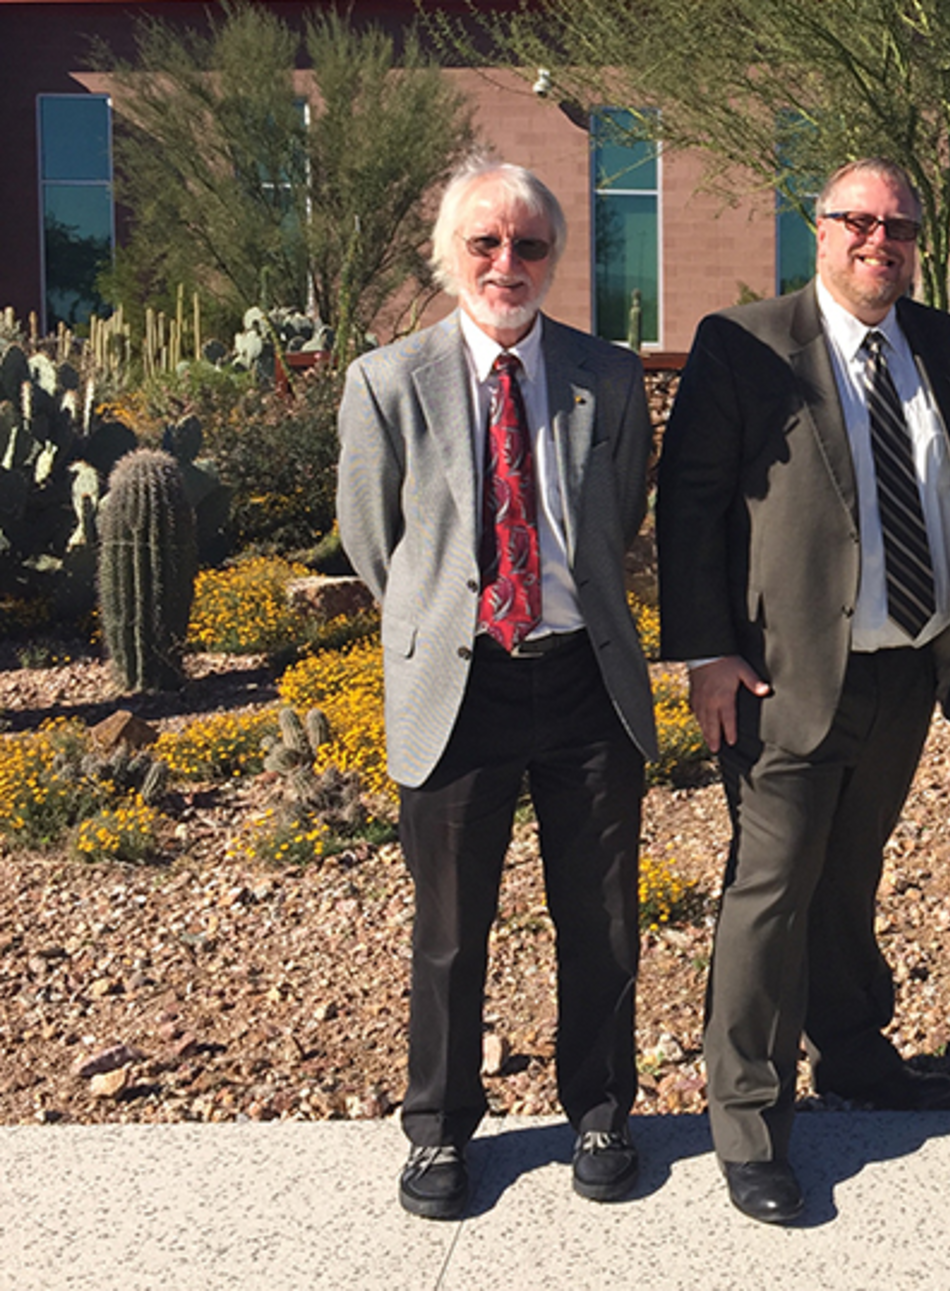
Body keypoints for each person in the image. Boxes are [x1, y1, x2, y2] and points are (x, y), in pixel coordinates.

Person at [655, 157, 950, 1224]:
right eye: (858, 220)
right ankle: (750, 1119)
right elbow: (691, 504)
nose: (878, 240)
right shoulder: (748, 344)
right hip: (781, 674)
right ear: (820, 229)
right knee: (770, 891)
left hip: (909, 668)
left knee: (851, 875)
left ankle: (853, 1050)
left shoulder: (944, 345)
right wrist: (706, 650)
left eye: (897, 225)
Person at [336, 158, 657, 1220]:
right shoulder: (388, 381)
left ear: (554, 258)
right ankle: (437, 1129)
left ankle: (603, 1108)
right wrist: (448, 620)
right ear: (449, 256)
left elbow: (617, 519)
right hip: (459, 691)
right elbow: (375, 544)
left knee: (603, 915)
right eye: (485, 243)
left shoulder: (606, 379)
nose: (506, 263)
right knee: (450, 926)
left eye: (528, 245)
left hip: (583, 681)